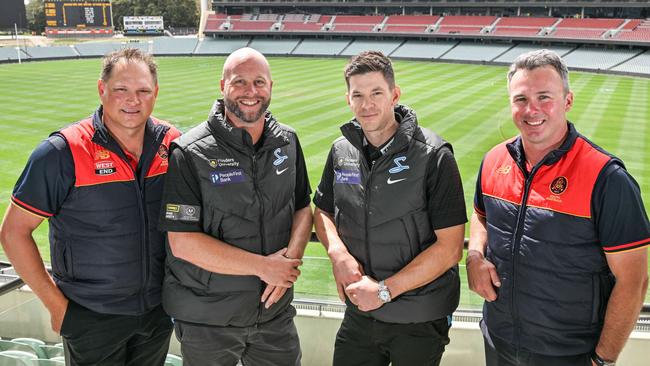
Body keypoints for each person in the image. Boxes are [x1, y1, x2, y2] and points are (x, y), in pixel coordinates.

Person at [467, 49, 650, 366]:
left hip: (569, 354)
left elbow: (634, 280)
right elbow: (481, 215)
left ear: (567, 101)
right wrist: (474, 255)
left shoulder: (607, 178)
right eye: (521, 99)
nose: (532, 109)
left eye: (544, 97)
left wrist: (602, 359)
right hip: (498, 341)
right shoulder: (494, 159)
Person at [0, 48, 180, 365]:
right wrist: (58, 308)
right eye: (121, 89)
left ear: (156, 94)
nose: (133, 100)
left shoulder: (172, 142)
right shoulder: (62, 151)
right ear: (102, 89)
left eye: (143, 91)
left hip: (156, 314)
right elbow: (14, 233)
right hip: (91, 318)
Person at [158, 47, 312, 366]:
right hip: (207, 321)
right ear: (222, 85)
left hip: (273, 315)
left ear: (271, 86)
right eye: (239, 82)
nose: (250, 92)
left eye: (259, 82)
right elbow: (182, 242)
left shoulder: (288, 141)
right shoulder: (189, 153)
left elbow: (301, 207)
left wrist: (288, 261)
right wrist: (264, 267)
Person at [313, 50, 467, 366]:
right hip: (361, 312)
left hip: (418, 319)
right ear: (348, 99)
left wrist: (383, 291)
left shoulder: (434, 155)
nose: (366, 104)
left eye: (376, 93)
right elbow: (322, 211)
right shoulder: (342, 151)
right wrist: (337, 254)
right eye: (358, 95)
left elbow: (451, 249)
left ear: (395, 95)